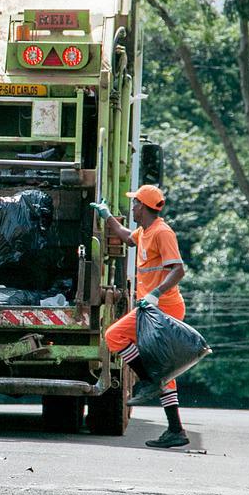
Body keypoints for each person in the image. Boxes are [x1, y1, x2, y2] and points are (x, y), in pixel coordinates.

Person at [91, 184, 189, 449]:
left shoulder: (162, 232)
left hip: (162, 308)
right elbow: (125, 236)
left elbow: (178, 270)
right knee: (164, 371)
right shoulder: (145, 231)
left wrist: (155, 293)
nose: (132, 207)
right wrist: (106, 215)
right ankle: (175, 429)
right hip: (152, 308)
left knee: (114, 335)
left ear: (144, 207)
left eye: (135, 203)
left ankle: (147, 382)